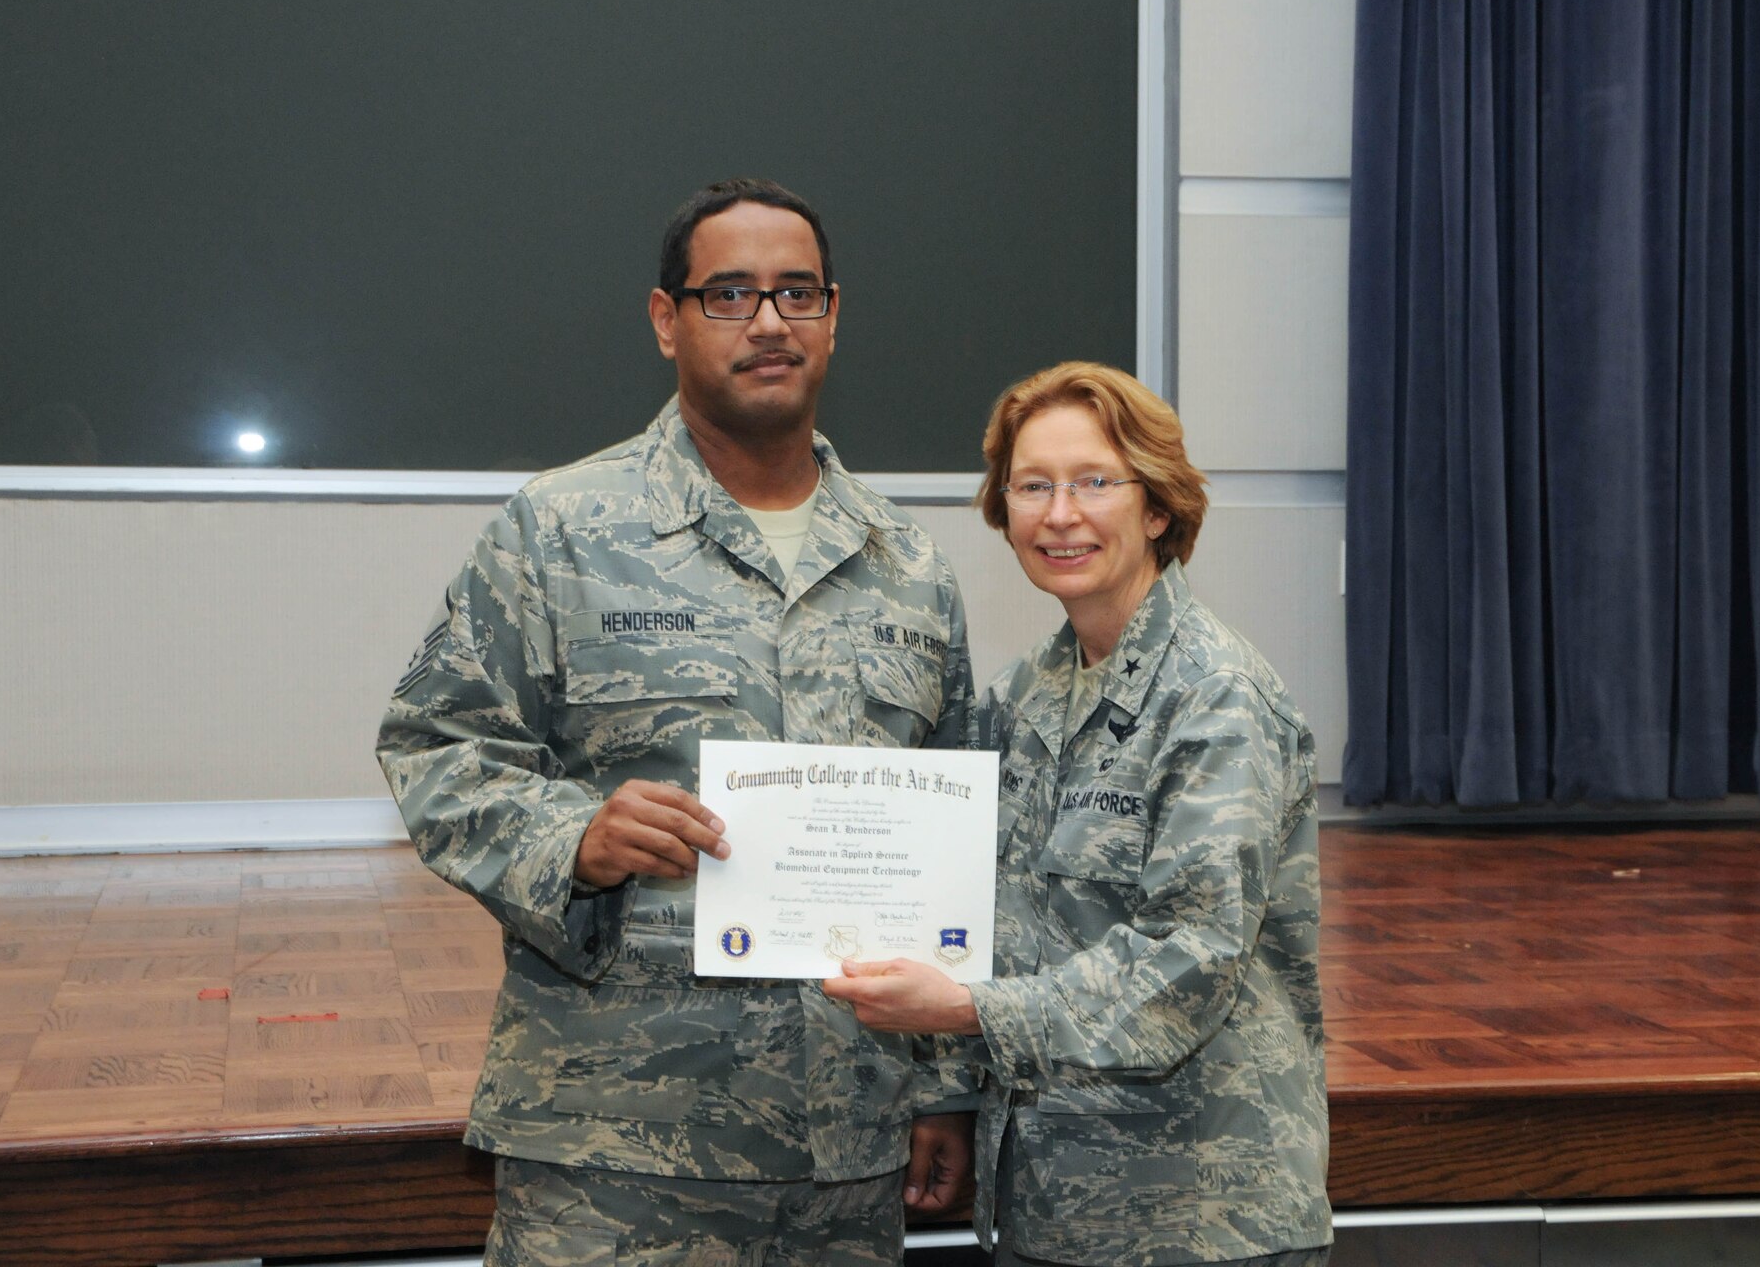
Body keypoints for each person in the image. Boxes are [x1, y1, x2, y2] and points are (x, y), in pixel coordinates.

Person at [378, 177, 977, 1266]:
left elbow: (955, 855)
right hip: (616, 1149)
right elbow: (436, 743)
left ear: (833, 315)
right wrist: (575, 838)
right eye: (728, 294)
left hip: (845, 1150)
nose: (766, 322)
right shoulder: (558, 530)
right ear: (667, 320)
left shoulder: (910, 569)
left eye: (796, 293)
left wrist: (942, 1088)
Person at [824, 361, 1329, 1266]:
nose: (1061, 515)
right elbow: (977, 910)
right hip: (1051, 1211)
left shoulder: (1215, 695)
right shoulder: (1025, 694)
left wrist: (967, 1013)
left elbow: (1190, 958)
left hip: (1200, 1222)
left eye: (1095, 482)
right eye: (1033, 486)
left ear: (1159, 507)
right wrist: (948, 1087)